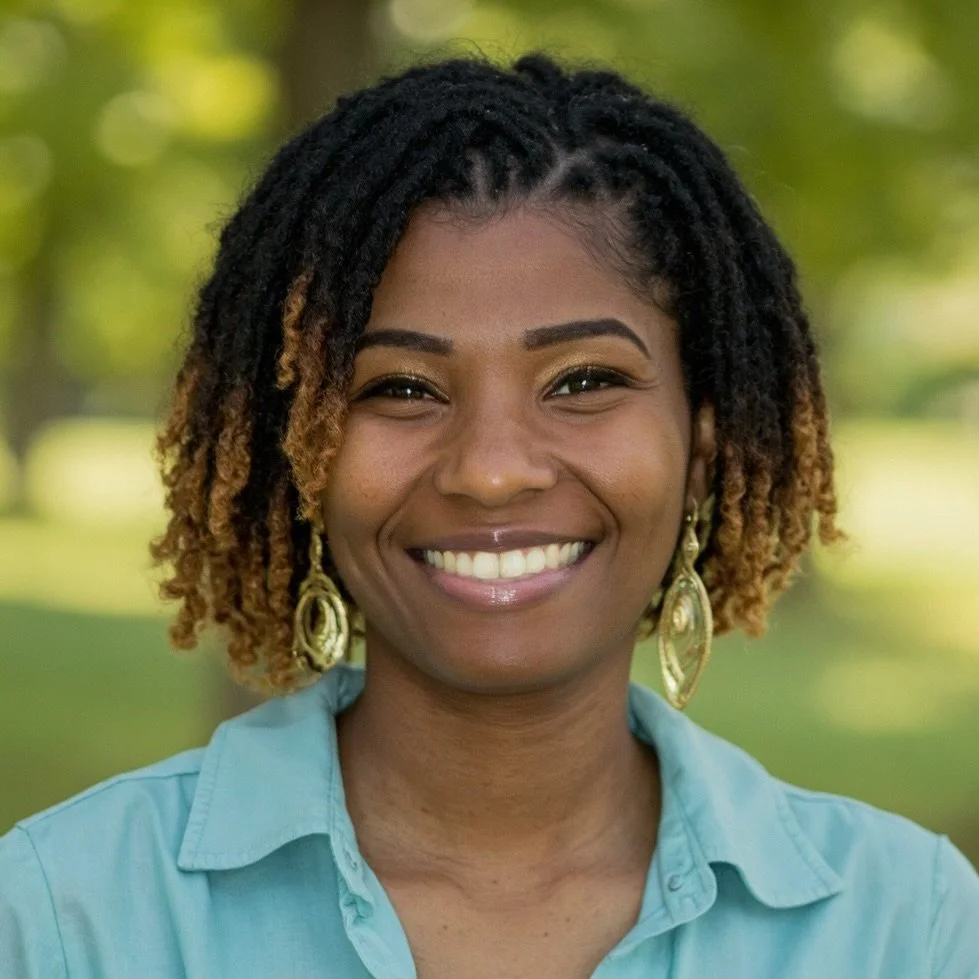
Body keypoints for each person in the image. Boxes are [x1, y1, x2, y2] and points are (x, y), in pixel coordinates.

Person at [1, 53, 976, 979]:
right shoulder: (66, 916)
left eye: (584, 379)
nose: (493, 471)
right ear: (294, 447)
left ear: (704, 438)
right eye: (400, 387)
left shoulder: (901, 923)